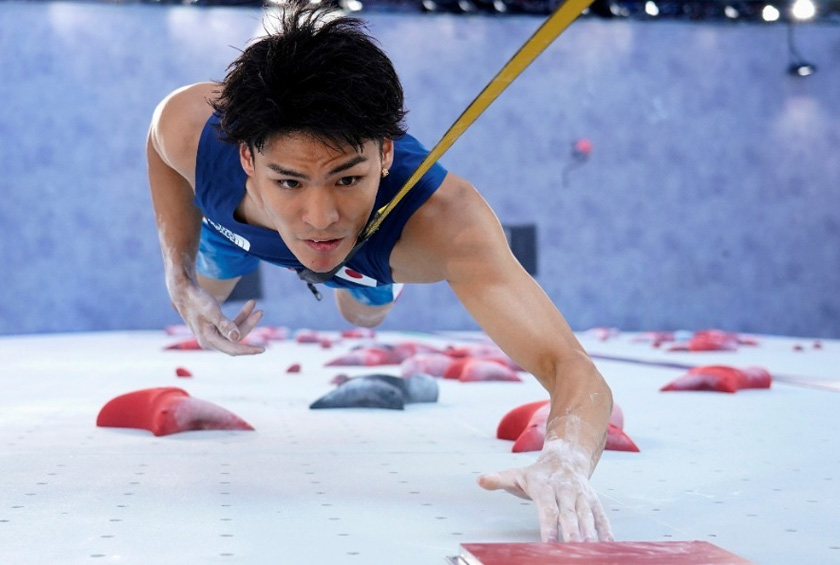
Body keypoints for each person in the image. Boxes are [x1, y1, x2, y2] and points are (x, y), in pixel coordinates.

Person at [146, 0, 614, 543]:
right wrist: (177, 277)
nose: (320, 218)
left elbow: (572, 368)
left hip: (371, 253)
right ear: (248, 158)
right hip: (233, 229)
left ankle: (368, 283)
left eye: (347, 179)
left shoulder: (445, 225)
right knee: (206, 291)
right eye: (290, 182)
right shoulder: (190, 125)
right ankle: (231, 253)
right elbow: (158, 151)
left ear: (386, 153)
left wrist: (565, 457)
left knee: (364, 316)